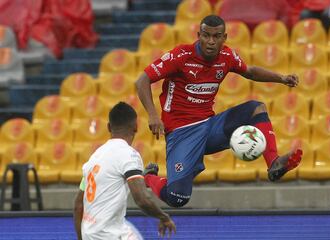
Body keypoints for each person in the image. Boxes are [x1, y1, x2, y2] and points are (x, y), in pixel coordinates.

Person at [135, 15, 303, 208]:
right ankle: (148, 177)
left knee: (256, 108)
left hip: (209, 128)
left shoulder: (227, 57)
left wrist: (281, 78)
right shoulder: (181, 56)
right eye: (206, 36)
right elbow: (142, 81)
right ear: (199, 35)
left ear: (224, 37)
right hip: (182, 133)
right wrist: (153, 115)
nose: (210, 42)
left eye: (216, 37)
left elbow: (250, 71)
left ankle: (273, 162)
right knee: (177, 197)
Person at [73, 102, 176, 239]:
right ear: (136, 127)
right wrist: (164, 217)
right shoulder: (129, 155)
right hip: (111, 234)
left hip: (90, 234)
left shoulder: (93, 159)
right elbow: (142, 199)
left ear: (109, 127)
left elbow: (78, 205)